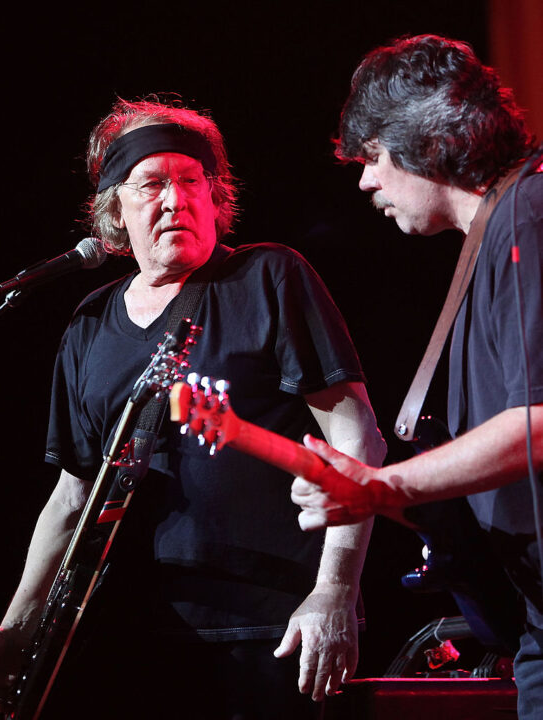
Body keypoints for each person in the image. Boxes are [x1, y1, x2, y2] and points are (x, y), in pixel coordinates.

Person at [0, 97, 386, 719]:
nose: (175, 199)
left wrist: (334, 592)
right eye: (153, 183)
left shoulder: (269, 277)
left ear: (216, 198)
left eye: (192, 181)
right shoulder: (89, 323)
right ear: (114, 210)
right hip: (128, 641)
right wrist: (20, 623)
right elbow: (72, 496)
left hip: (269, 632)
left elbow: (358, 440)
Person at [289, 35, 543, 719]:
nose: (365, 180)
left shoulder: (530, 214)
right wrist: (376, 497)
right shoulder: (493, 237)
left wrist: (381, 484)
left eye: (372, 155)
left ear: (426, 140)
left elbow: (540, 425)